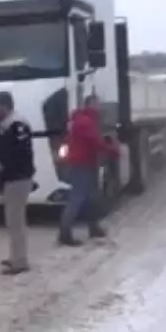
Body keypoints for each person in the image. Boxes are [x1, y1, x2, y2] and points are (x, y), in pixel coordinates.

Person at [58, 93, 120, 246]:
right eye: (97, 103)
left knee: (92, 196)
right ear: (90, 104)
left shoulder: (86, 120)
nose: (99, 106)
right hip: (81, 164)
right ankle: (65, 233)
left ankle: (93, 227)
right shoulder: (85, 122)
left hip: (86, 163)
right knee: (77, 198)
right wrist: (113, 152)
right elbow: (96, 142)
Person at [0, 91, 35, 275]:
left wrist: (4, 166)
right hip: (15, 177)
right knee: (13, 220)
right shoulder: (10, 124)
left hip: (18, 177)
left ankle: (19, 261)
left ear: (6, 105)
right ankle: (16, 256)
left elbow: (18, 153)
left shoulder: (16, 125)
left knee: (15, 220)